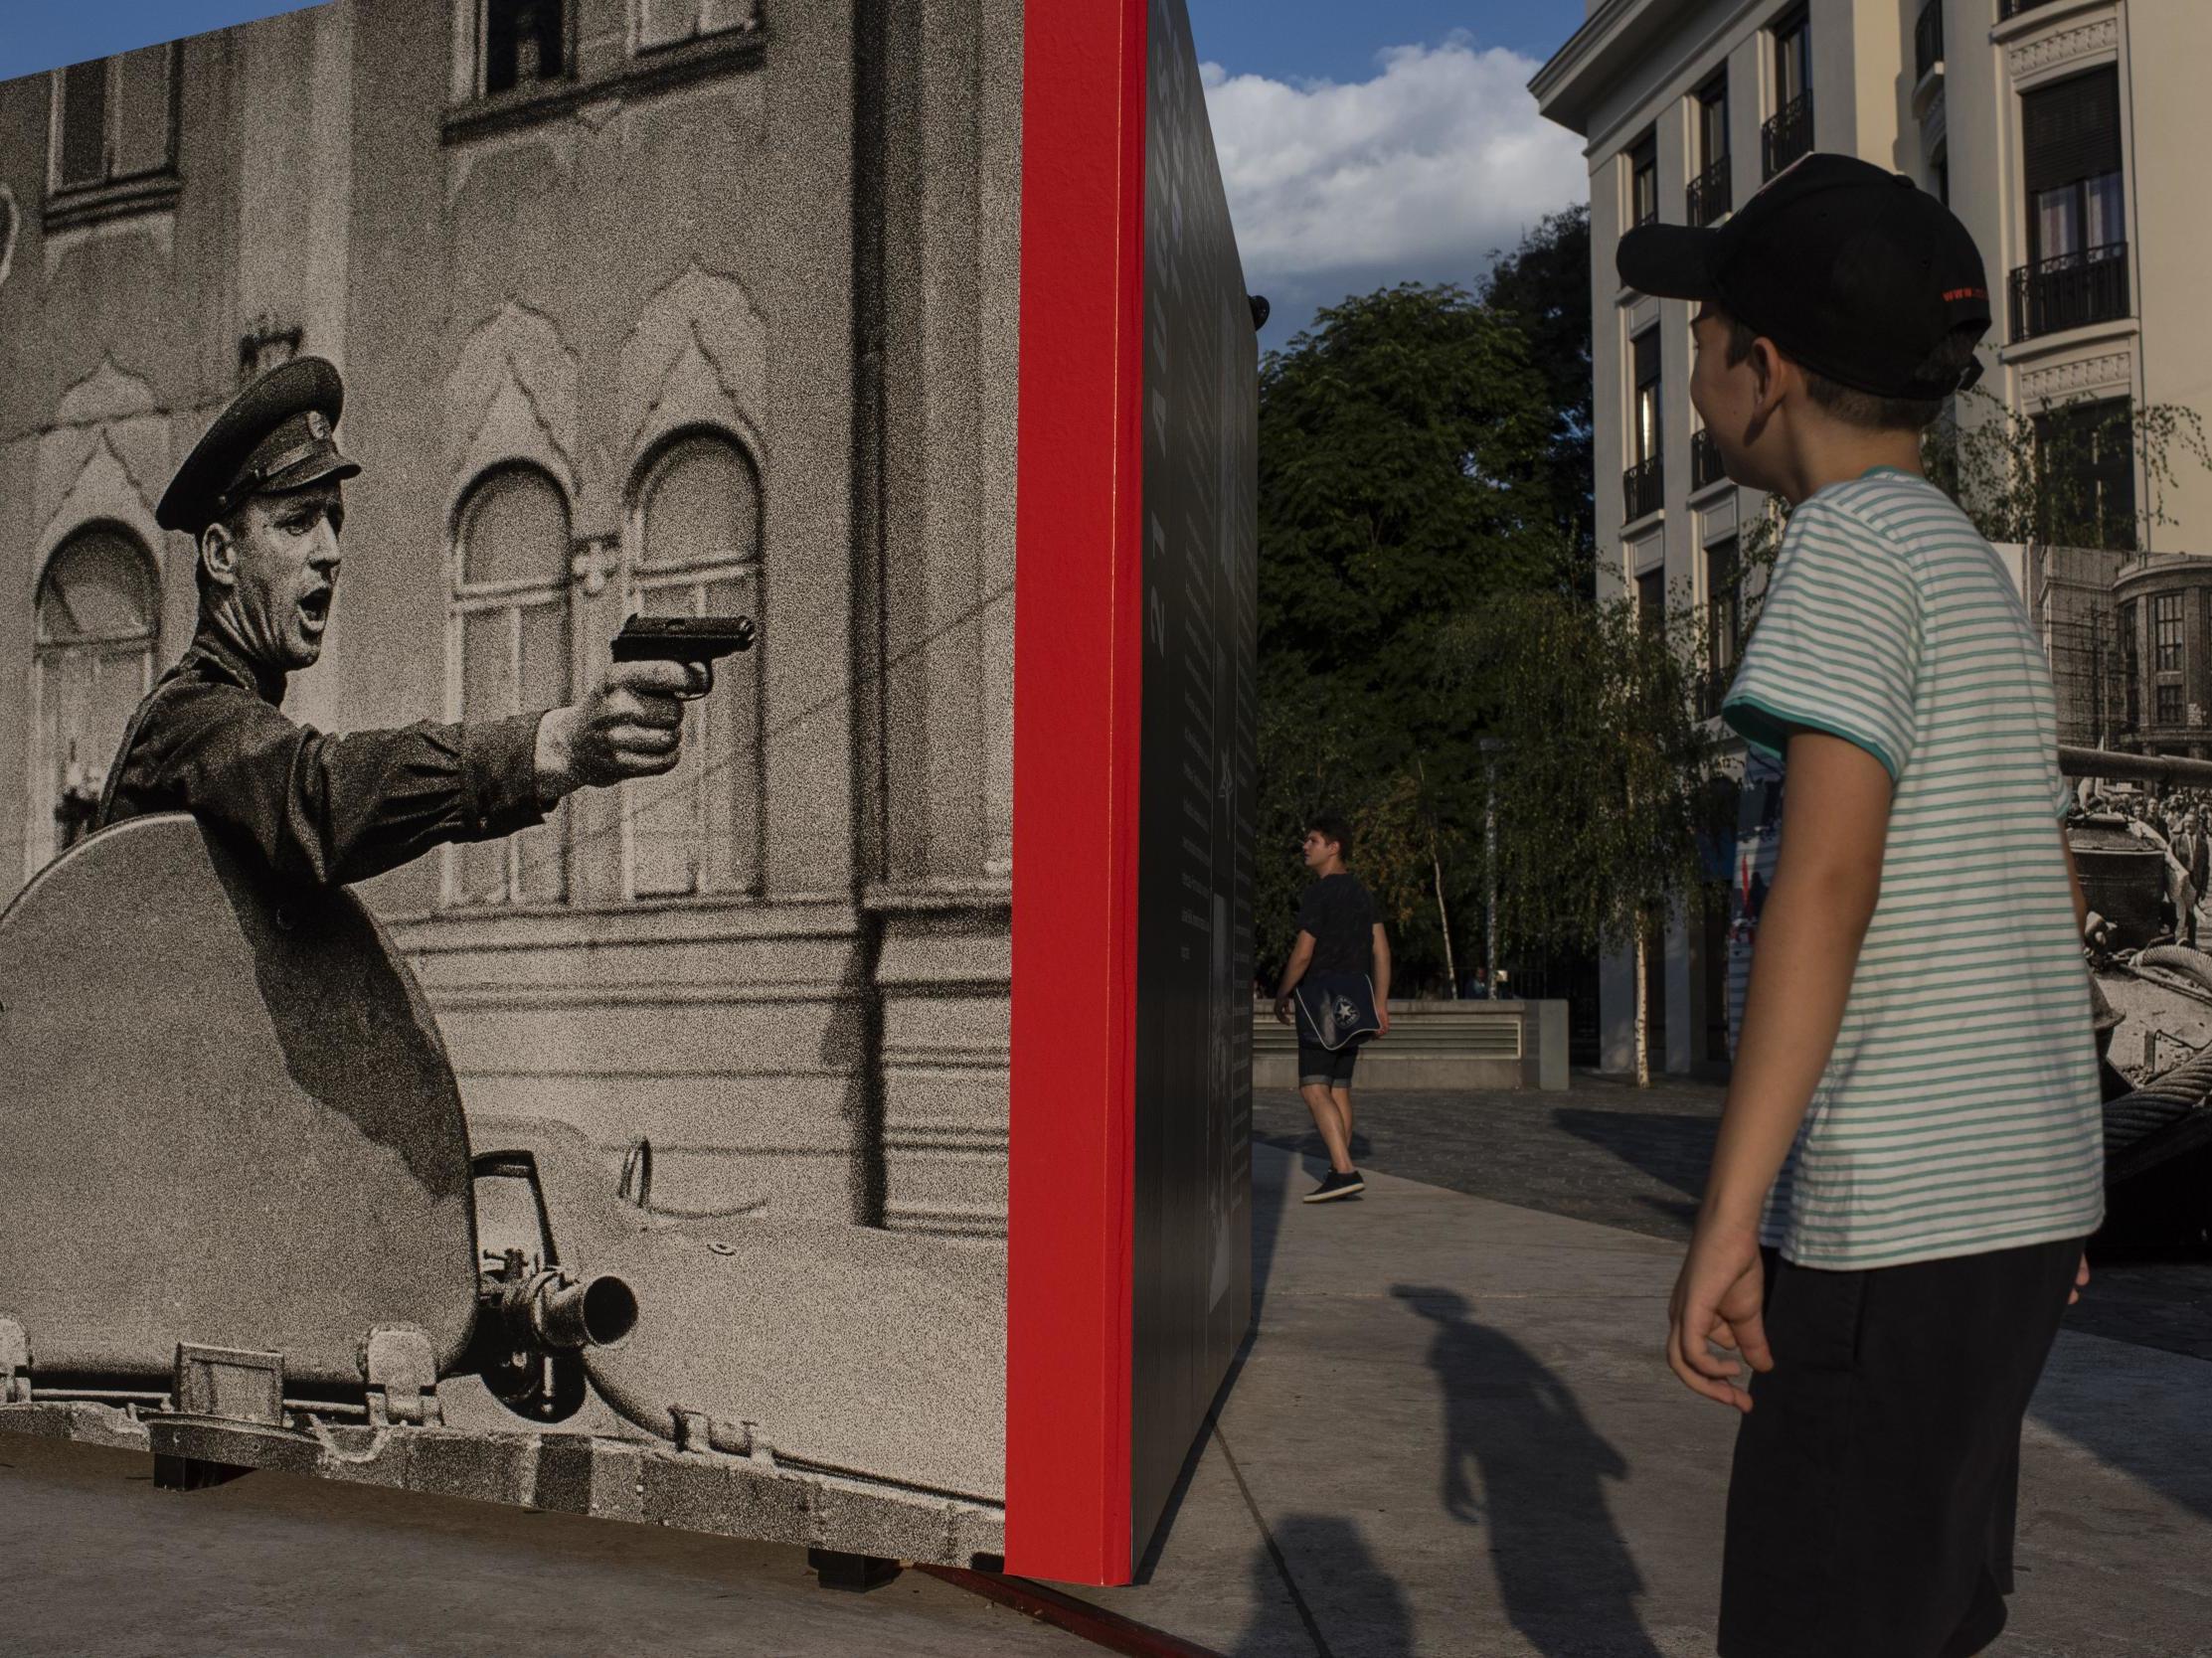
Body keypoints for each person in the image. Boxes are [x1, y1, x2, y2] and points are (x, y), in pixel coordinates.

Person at [1618, 154, 2102, 1658]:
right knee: (1925, 1607)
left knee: (1820, 1618)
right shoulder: (1963, 565)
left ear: (1761, 371)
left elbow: (1826, 886)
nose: (1690, 370)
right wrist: (2049, 1173)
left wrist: (1730, 1218)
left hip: (1891, 1220)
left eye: (1694, 342)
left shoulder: (1839, 548)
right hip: (2014, 1211)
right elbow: (2044, 880)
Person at [96, 356, 699, 882]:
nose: (330, 551)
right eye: (297, 523)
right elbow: (324, 796)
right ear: (222, 555)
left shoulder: (239, 728)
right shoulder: (191, 718)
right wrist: (558, 743)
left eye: (334, 520)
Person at [1272, 812, 1391, 1203]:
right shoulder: (1361, 892)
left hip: (1320, 999)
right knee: (1339, 1088)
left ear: (1334, 847)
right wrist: (1380, 1004)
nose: (1304, 847)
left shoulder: (1318, 893)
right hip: (1355, 1000)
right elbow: (1382, 951)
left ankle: (1343, 1169)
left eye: (1312, 840)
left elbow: (1303, 954)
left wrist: (1282, 991)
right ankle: (1341, 1169)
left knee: (1313, 1088)